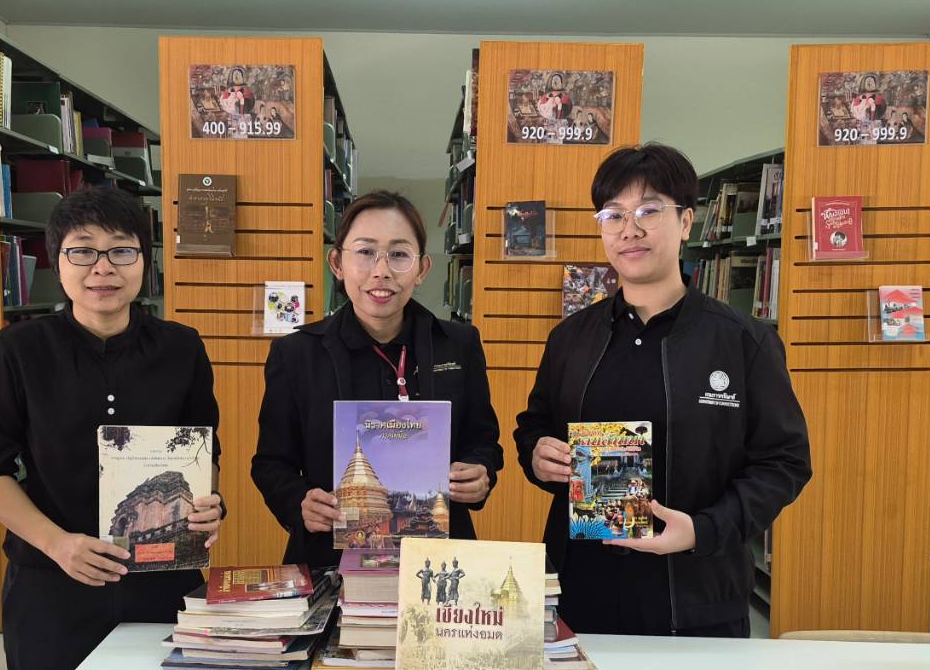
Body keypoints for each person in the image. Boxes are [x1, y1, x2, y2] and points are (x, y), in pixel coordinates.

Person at [514, 143, 812, 638]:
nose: (629, 229)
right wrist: (537, 454)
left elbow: (785, 462)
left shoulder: (743, 341)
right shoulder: (571, 338)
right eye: (613, 215)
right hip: (580, 592)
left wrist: (703, 529)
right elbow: (536, 425)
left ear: (686, 221)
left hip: (698, 597)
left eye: (648, 211)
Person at [0, 185, 224, 670]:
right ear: (57, 261)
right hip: (52, 581)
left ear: (145, 261)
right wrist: (57, 544)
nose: (103, 268)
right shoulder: (19, 350)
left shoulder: (181, 347)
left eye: (122, 250)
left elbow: (205, 452)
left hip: (160, 577)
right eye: (82, 251)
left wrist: (208, 506)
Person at [253, 190, 503, 569]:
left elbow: (483, 442)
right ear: (337, 263)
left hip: (437, 559)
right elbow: (271, 462)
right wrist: (298, 502)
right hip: (329, 557)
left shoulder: (459, 345)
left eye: (399, 254)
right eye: (365, 252)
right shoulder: (296, 354)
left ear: (422, 269)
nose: (381, 270)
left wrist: (479, 474)